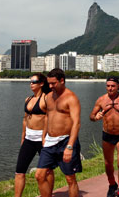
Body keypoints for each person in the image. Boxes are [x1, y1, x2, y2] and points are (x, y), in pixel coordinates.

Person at [35, 68, 82, 197]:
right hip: (50, 142)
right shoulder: (49, 96)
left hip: (65, 141)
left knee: (70, 179)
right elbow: (47, 117)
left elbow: (76, 123)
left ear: (62, 81)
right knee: (39, 175)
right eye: (49, 83)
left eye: (53, 83)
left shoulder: (71, 98)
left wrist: (69, 146)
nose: (50, 86)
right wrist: (44, 136)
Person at [90, 77, 119, 197]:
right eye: (108, 86)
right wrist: (96, 117)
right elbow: (91, 115)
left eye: (113, 86)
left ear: (118, 86)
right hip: (107, 135)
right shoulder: (101, 100)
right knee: (108, 164)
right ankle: (112, 185)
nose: (110, 88)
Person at [14, 73, 52, 197]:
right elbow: (25, 119)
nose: (31, 84)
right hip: (29, 139)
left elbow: (49, 118)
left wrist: (46, 137)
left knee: (48, 171)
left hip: (43, 140)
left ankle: (49, 194)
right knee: (19, 172)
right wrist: (23, 137)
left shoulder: (46, 99)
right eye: (30, 81)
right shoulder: (28, 99)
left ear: (41, 83)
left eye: (34, 81)